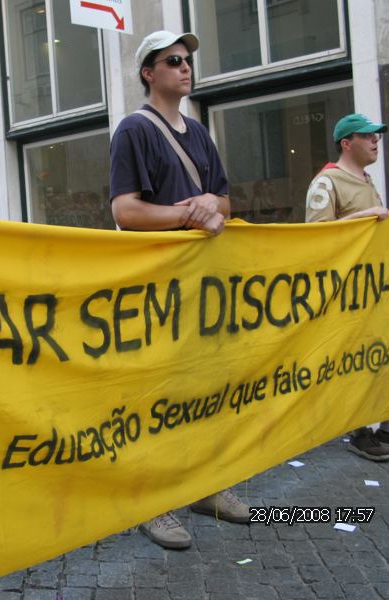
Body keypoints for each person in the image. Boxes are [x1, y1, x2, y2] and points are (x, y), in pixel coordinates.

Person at [109, 30, 250, 550]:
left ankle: (206, 485)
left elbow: (226, 202)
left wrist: (210, 206)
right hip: (155, 285)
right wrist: (190, 213)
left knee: (205, 386)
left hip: (200, 285)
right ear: (149, 73)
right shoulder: (134, 130)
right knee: (158, 392)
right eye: (172, 60)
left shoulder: (200, 133)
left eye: (187, 59)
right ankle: (152, 502)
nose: (185, 67)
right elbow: (125, 210)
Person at [305, 113, 389, 461]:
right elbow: (315, 237)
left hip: (377, 290)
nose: (376, 141)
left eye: (377, 136)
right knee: (354, 361)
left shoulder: (365, 180)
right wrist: (360, 217)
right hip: (347, 294)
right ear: (347, 144)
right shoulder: (327, 183)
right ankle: (358, 431)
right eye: (368, 136)